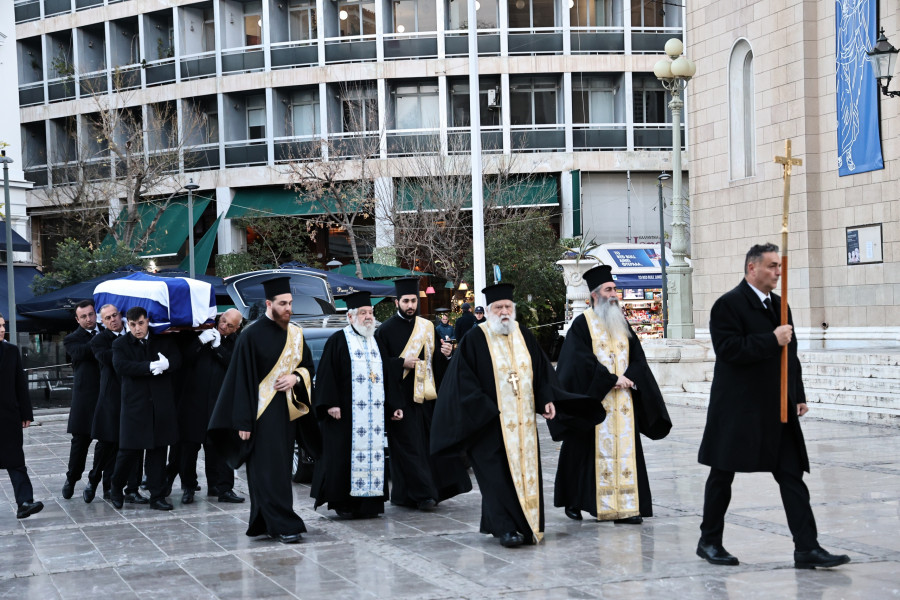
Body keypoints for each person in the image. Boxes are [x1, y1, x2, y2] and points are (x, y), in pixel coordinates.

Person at [697, 244, 850, 570]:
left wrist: (798, 394)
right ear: (752, 268)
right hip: (738, 409)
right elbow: (728, 350)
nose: (777, 273)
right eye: (771, 267)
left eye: (779, 267)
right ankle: (709, 541)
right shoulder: (727, 305)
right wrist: (771, 339)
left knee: (792, 476)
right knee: (722, 474)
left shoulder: (781, 306)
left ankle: (807, 548)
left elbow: (789, 356)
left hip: (777, 408)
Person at [432, 284, 604, 548]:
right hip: (489, 423)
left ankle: (523, 524)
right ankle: (507, 529)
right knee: (496, 478)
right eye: (498, 307)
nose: (504, 312)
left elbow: (541, 370)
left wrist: (546, 397)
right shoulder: (476, 338)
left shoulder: (523, 334)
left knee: (522, 476)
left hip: (523, 424)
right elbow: (462, 382)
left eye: (508, 307)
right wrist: (486, 409)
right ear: (488, 311)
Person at [552, 265, 670, 524]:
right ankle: (575, 500)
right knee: (582, 452)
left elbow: (637, 356)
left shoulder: (621, 321)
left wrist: (631, 377)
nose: (615, 294)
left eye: (615, 289)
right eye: (609, 290)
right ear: (595, 295)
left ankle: (627, 507)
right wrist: (610, 379)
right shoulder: (583, 324)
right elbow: (576, 362)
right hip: (594, 401)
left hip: (624, 401)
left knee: (625, 452)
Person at [208, 277, 316, 544]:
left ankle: (267, 522)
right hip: (260, 415)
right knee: (265, 472)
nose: (288, 308)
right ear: (269, 304)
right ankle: (283, 524)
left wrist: (295, 378)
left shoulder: (296, 334)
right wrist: (243, 422)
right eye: (283, 304)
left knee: (279, 471)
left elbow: (308, 368)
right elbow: (240, 381)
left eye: (290, 303)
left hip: (287, 413)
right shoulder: (250, 336)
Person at [376, 277, 471, 511]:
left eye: (414, 301)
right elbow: (378, 366)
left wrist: (446, 354)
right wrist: (401, 363)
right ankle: (422, 495)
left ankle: (430, 492)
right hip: (401, 400)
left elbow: (435, 363)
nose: (411, 305)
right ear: (396, 302)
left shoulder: (427, 327)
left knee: (430, 446)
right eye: (406, 301)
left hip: (427, 399)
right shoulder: (384, 331)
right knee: (409, 450)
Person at [312, 291, 403, 518]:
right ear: (350, 317)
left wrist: (394, 405)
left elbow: (387, 377)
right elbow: (326, 375)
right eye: (363, 313)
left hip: (374, 417)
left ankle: (370, 505)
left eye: (370, 313)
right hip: (344, 416)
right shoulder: (338, 340)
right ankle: (345, 505)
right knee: (343, 460)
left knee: (374, 456)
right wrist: (331, 403)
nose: (368, 317)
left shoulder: (377, 342)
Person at [109, 306, 182, 511]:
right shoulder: (120, 344)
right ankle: (116, 488)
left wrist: (167, 365)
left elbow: (177, 360)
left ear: (147, 321)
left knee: (158, 453)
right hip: (135, 407)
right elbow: (121, 366)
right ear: (127, 324)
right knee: (127, 453)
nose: (137, 328)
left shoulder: (162, 341)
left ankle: (157, 496)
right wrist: (149, 367)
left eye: (140, 323)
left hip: (160, 406)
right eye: (132, 325)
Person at [178, 309, 245, 505]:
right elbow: (184, 360)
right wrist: (201, 342)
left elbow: (235, 365)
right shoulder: (201, 333)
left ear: (236, 328)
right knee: (189, 448)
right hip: (193, 402)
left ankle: (222, 488)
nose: (223, 326)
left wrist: (218, 348)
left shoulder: (236, 342)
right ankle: (188, 487)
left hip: (220, 404)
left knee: (219, 448)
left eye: (229, 326)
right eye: (223, 321)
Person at [84, 304, 143, 503]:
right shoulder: (99, 340)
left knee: (133, 445)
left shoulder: (133, 335)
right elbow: (109, 358)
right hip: (111, 399)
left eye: (115, 315)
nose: (112, 320)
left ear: (121, 316)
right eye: (107, 318)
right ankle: (94, 480)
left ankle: (131, 489)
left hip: (133, 397)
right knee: (106, 445)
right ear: (103, 321)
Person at [0, 313, 44, 519]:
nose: (2, 329)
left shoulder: (11, 351)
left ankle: (24, 502)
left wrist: (26, 412)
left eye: (2, 325)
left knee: (16, 460)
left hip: (8, 416)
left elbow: (20, 383)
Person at [61, 299, 102, 500]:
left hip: (106, 397)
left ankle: (95, 481)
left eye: (91, 314)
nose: (89, 319)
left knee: (107, 443)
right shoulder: (72, 339)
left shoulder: (106, 333)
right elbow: (82, 352)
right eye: (84, 316)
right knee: (80, 444)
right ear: (77, 319)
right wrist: (102, 338)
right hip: (84, 400)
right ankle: (72, 478)